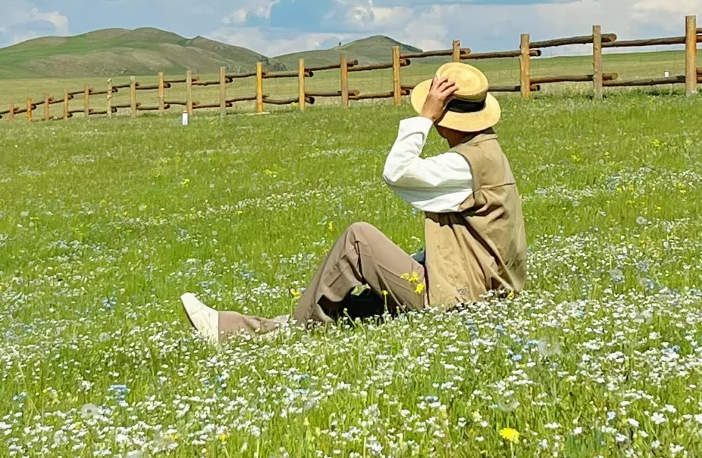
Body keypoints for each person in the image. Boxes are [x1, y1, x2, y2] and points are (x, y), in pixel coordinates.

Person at [179, 60, 526, 344]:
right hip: (480, 291)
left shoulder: (465, 164)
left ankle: (290, 332)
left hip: (461, 299)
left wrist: (424, 118)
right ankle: (235, 328)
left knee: (359, 239)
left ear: (443, 117)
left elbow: (397, 172)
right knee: (356, 307)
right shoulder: (487, 152)